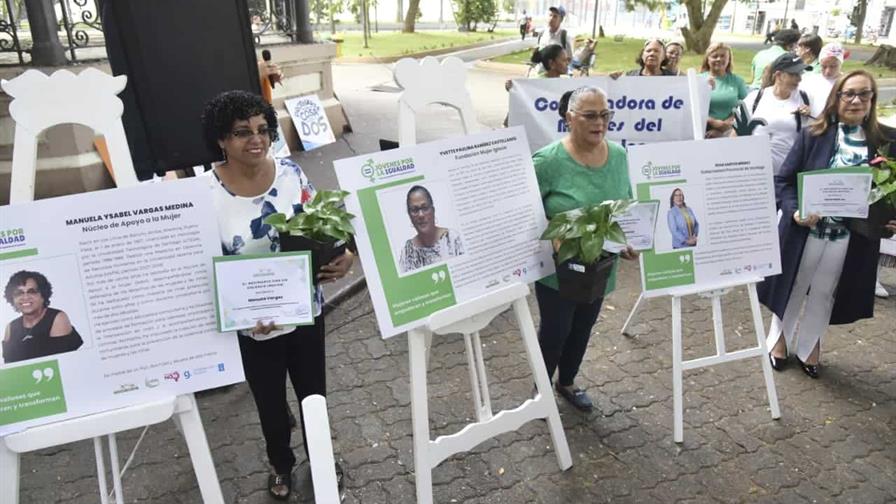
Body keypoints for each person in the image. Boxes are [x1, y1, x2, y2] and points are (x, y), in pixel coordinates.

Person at [200, 90, 353, 500]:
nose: (256, 139)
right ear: (221, 139)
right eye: (241, 132)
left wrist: (345, 255)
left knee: (314, 395)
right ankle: (281, 464)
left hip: (304, 310)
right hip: (250, 327)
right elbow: (200, 266)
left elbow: (325, 227)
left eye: (263, 129)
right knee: (269, 404)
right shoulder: (203, 195)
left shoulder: (290, 175)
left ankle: (321, 461)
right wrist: (238, 312)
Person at [759, 70, 896, 379]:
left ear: (873, 99)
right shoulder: (814, 134)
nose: (856, 100)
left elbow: (891, 190)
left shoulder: (885, 142)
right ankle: (778, 338)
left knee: (825, 291)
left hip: (851, 235)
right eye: (849, 94)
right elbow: (784, 182)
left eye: (864, 94)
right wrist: (794, 212)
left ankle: (810, 345)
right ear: (837, 98)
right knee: (794, 284)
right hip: (806, 229)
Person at [532, 86, 638, 412]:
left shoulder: (618, 156)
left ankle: (567, 382)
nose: (599, 122)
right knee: (556, 329)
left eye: (605, 115)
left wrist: (630, 241)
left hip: (601, 268)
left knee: (583, 327)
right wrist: (553, 235)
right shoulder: (548, 161)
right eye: (590, 115)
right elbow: (525, 213)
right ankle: (540, 392)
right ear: (569, 118)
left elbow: (626, 206)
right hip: (558, 270)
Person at [742, 53, 812, 173]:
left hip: (788, 176)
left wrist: (809, 115)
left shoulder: (805, 98)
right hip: (754, 174)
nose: (799, 79)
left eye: (800, 74)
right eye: (794, 74)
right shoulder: (755, 98)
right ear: (779, 75)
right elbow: (736, 135)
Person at [3, 271, 83, 364]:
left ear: (43, 296)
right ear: (12, 298)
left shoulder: (57, 318)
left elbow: (63, 362)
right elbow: (9, 365)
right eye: (19, 293)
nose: (25, 297)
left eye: (32, 291)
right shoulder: (11, 327)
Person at [398, 185, 465, 273]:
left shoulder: (453, 240)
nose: (421, 215)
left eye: (425, 208)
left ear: (433, 210)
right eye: (415, 210)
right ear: (409, 215)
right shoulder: (407, 252)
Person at [700, 42, 748, 138]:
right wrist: (712, 121)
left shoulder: (738, 81)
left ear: (729, 59)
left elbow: (745, 107)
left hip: (730, 130)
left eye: (723, 56)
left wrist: (726, 125)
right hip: (702, 129)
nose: (719, 59)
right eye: (714, 56)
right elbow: (690, 108)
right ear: (707, 59)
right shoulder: (699, 80)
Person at [800, 43, 846, 118]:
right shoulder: (809, 81)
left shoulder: (847, 82)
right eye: (824, 66)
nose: (828, 71)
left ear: (841, 63)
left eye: (833, 66)